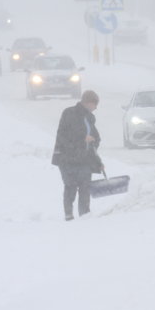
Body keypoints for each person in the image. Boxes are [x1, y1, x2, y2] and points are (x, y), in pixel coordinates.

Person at [51, 90, 103, 221]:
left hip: (84, 160)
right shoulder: (69, 113)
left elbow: (95, 138)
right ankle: (69, 215)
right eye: (94, 104)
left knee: (85, 188)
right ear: (88, 102)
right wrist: (82, 139)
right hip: (67, 159)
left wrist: (97, 160)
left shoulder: (89, 118)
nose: (95, 108)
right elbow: (63, 136)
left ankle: (84, 216)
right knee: (70, 187)